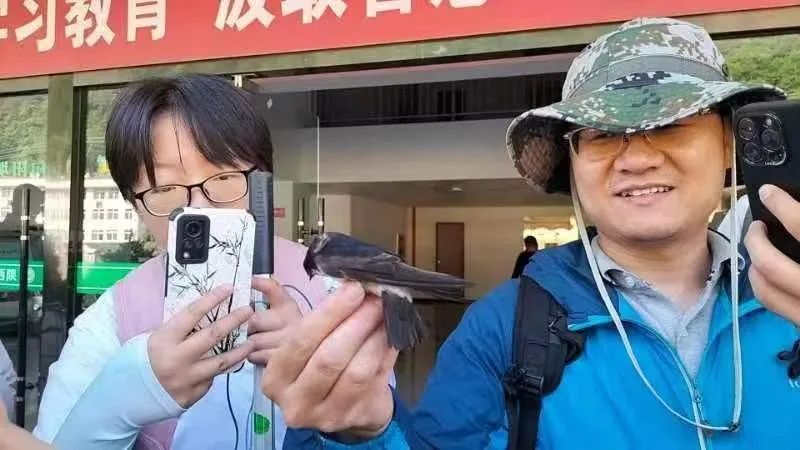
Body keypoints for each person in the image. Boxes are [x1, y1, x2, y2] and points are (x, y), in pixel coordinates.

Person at [260, 17, 800, 449]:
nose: (636, 159)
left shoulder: (791, 293)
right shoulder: (502, 326)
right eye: (601, 134)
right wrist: (358, 435)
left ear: (728, 145)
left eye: (671, 124)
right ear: (573, 163)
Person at [33, 74, 332, 449]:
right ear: (136, 204)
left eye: (223, 176)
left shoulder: (328, 289)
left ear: (262, 180)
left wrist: (325, 379)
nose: (199, 207)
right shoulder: (112, 321)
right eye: (165, 188)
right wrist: (119, 403)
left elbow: (380, 428)